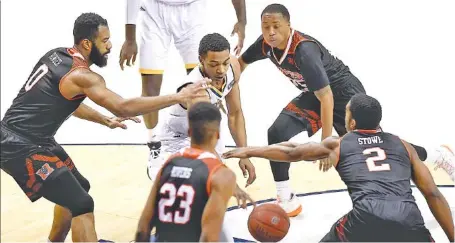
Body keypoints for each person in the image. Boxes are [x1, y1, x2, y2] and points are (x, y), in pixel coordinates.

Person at [0, 13, 209, 243]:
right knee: (81, 203)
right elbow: (123, 107)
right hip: (19, 146)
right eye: (105, 40)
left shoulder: (56, 56)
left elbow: (64, 101)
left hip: (33, 139)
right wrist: (178, 96)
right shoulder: (83, 76)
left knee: (80, 187)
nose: (110, 46)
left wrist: (103, 119)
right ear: (87, 44)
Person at [237, 3, 454, 216]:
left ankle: (437, 155)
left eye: (276, 26)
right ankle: (286, 199)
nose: (271, 32)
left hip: (345, 95)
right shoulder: (265, 44)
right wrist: (225, 83)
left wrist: (324, 144)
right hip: (317, 94)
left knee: (378, 148)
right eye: (266, 27)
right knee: (277, 132)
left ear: (289, 25)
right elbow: (240, 63)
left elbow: (328, 97)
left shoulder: (304, 51)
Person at [223, 94, 454, 242]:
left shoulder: (339, 144)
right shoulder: (403, 145)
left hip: (366, 217)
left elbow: (291, 152)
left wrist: (249, 150)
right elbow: (432, 194)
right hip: (408, 218)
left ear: (351, 123)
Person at [119, 0, 247, 162]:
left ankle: (201, 142)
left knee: (206, 81)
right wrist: (130, 38)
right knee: (151, 88)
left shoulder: (232, 67)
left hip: (192, 9)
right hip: (154, 9)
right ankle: (154, 143)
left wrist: (242, 20)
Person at [147, 32, 256, 186]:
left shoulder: (233, 67)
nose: (221, 70)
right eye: (213, 64)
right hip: (176, 136)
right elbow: (203, 143)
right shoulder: (196, 90)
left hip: (205, 126)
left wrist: (244, 153)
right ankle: (159, 157)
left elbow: (235, 114)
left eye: (224, 63)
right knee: (194, 184)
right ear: (201, 60)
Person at [135, 102, 240, 242]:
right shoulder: (220, 173)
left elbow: (143, 227)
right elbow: (208, 238)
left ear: (189, 133)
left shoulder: (168, 164)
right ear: (218, 135)